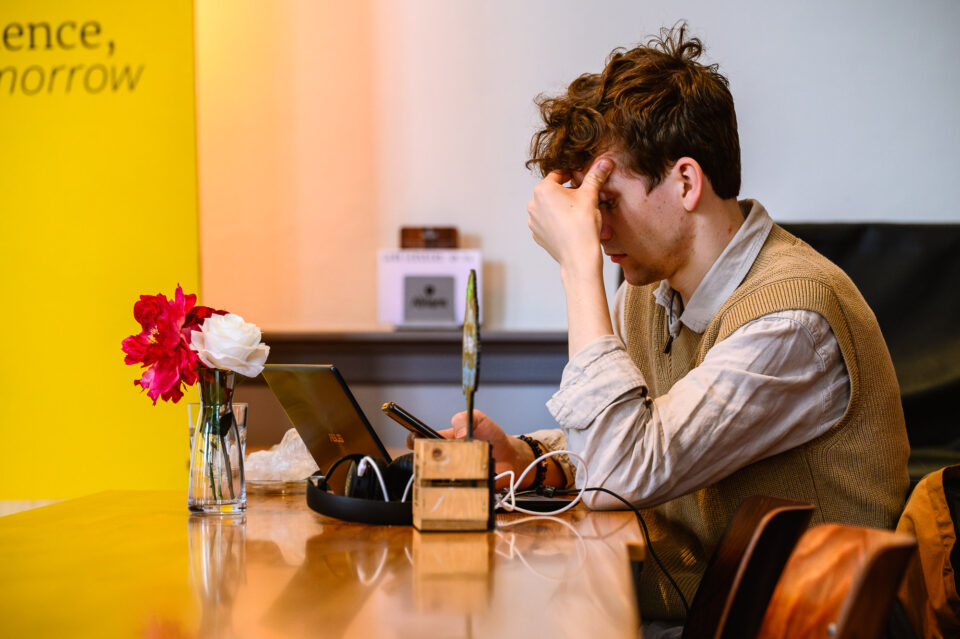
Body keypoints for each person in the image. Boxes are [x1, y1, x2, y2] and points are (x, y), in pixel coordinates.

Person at [426, 23, 910, 618]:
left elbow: (621, 473)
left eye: (605, 201)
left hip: (769, 626)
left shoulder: (792, 318)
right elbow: (646, 439)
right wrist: (531, 459)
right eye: (586, 211)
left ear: (685, 181)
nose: (596, 230)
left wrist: (578, 268)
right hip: (688, 610)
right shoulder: (653, 288)